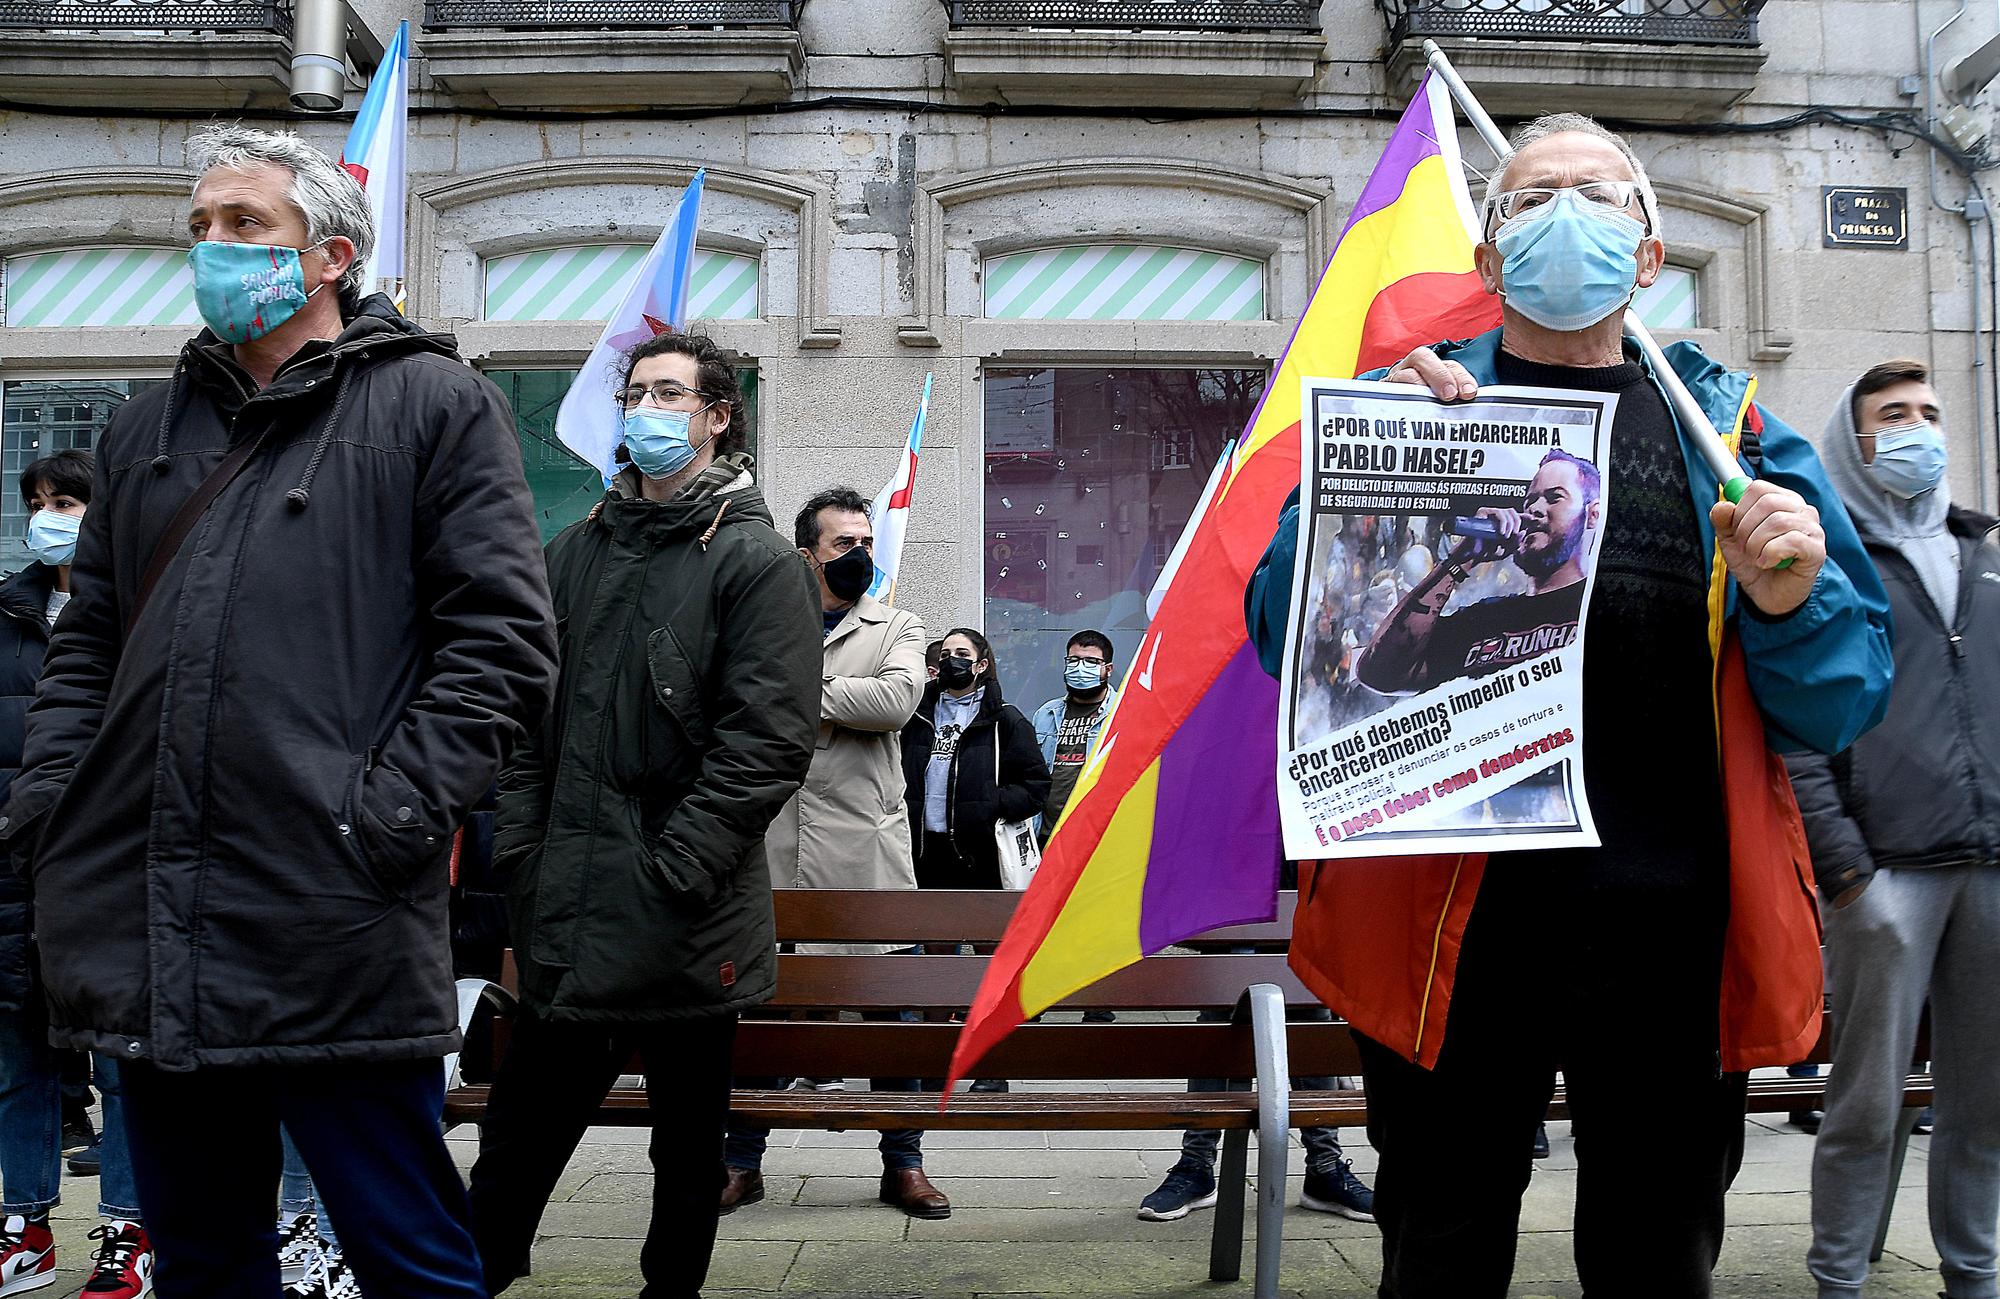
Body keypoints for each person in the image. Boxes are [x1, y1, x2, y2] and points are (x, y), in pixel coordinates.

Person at [1244, 112, 1892, 1297]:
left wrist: (1787, 599)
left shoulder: (1735, 438)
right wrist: (1355, 489)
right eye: (1531, 202)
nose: (1564, 219)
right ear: (1487, 263)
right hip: (1451, 927)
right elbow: (1288, 641)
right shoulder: (1413, 411)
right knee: (1438, 1242)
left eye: (1597, 199)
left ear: (1648, 255)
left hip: (1670, 929)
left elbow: (1841, 703)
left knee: (1655, 1250)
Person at [0, 125, 559, 1298]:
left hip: (331, 914)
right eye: (200, 225)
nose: (213, 245)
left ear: (330, 257)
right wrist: (54, 808)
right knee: (200, 1259)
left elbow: (500, 646)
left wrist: (383, 822)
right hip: (153, 917)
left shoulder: (433, 405)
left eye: (246, 225)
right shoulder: (146, 428)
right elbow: (87, 640)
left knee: (408, 1256)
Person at [466, 330, 821, 1298]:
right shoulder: (575, 550)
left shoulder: (755, 563)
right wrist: (528, 855)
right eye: (633, 393)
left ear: (716, 417)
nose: (643, 411)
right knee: (515, 1148)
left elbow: (766, 746)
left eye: (667, 394)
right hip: (567, 911)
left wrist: (672, 869)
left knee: (683, 1157)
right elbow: (529, 725)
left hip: (683, 921)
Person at [1784, 358, 2000, 1299]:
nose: (1917, 430)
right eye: (1892, 415)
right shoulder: (1828, 564)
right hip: (1886, 878)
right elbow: (1797, 725)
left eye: (1929, 413)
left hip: (1991, 866)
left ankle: (1975, 1276)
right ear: (1853, 437)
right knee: (1864, 1103)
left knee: (1984, 1103)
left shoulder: (1986, 552)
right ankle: (1839, 1281)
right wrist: (1848, 874)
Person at [723, 485, 948, 1220]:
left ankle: (905, 1162)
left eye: (868, 542)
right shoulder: (764, 620)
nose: (861, 555)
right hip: (776, 854)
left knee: (896, 1026)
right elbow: (728, 699)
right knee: (761, 1023)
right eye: (845, 544)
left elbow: (893, 702)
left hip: (868, 861)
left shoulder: (900, 623)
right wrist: (825, 694)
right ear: (807, 553)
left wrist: (794, 690)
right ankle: (740, 1161)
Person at [0, 451, 154, 1299]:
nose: (49, 514)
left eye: (66, 501)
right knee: (18, 1055)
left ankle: (128, 1229)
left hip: (114, 867)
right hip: (19, 869)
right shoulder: (9, 613)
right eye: (38, 501)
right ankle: (23, 1221)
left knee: (121, 1063)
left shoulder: (140, 606)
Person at [1356, 449, 1601, 694]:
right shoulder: (1483, 619)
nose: (1534, 509)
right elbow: (1378, 674)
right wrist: (1460, 560)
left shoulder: (1597, 606)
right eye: (1530, 500)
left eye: (1555, 497)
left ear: (1592, 515)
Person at [900, 628, 1050, 892]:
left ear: (981, 665)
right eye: (945, 654)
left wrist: (990, 803)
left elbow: (1035, 786)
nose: (951, 660)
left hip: (980, 856)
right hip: (920, 851)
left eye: (961, 654)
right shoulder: (915, 716)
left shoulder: (1005, 719)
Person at [1031, 630, 1119, 845]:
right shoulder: (1045, 714)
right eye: (1074, 660)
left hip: (1097, 837)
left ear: (1108, 669)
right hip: (1045, 833)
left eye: (1091, 661)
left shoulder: (1123, 712)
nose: (1080, 668)